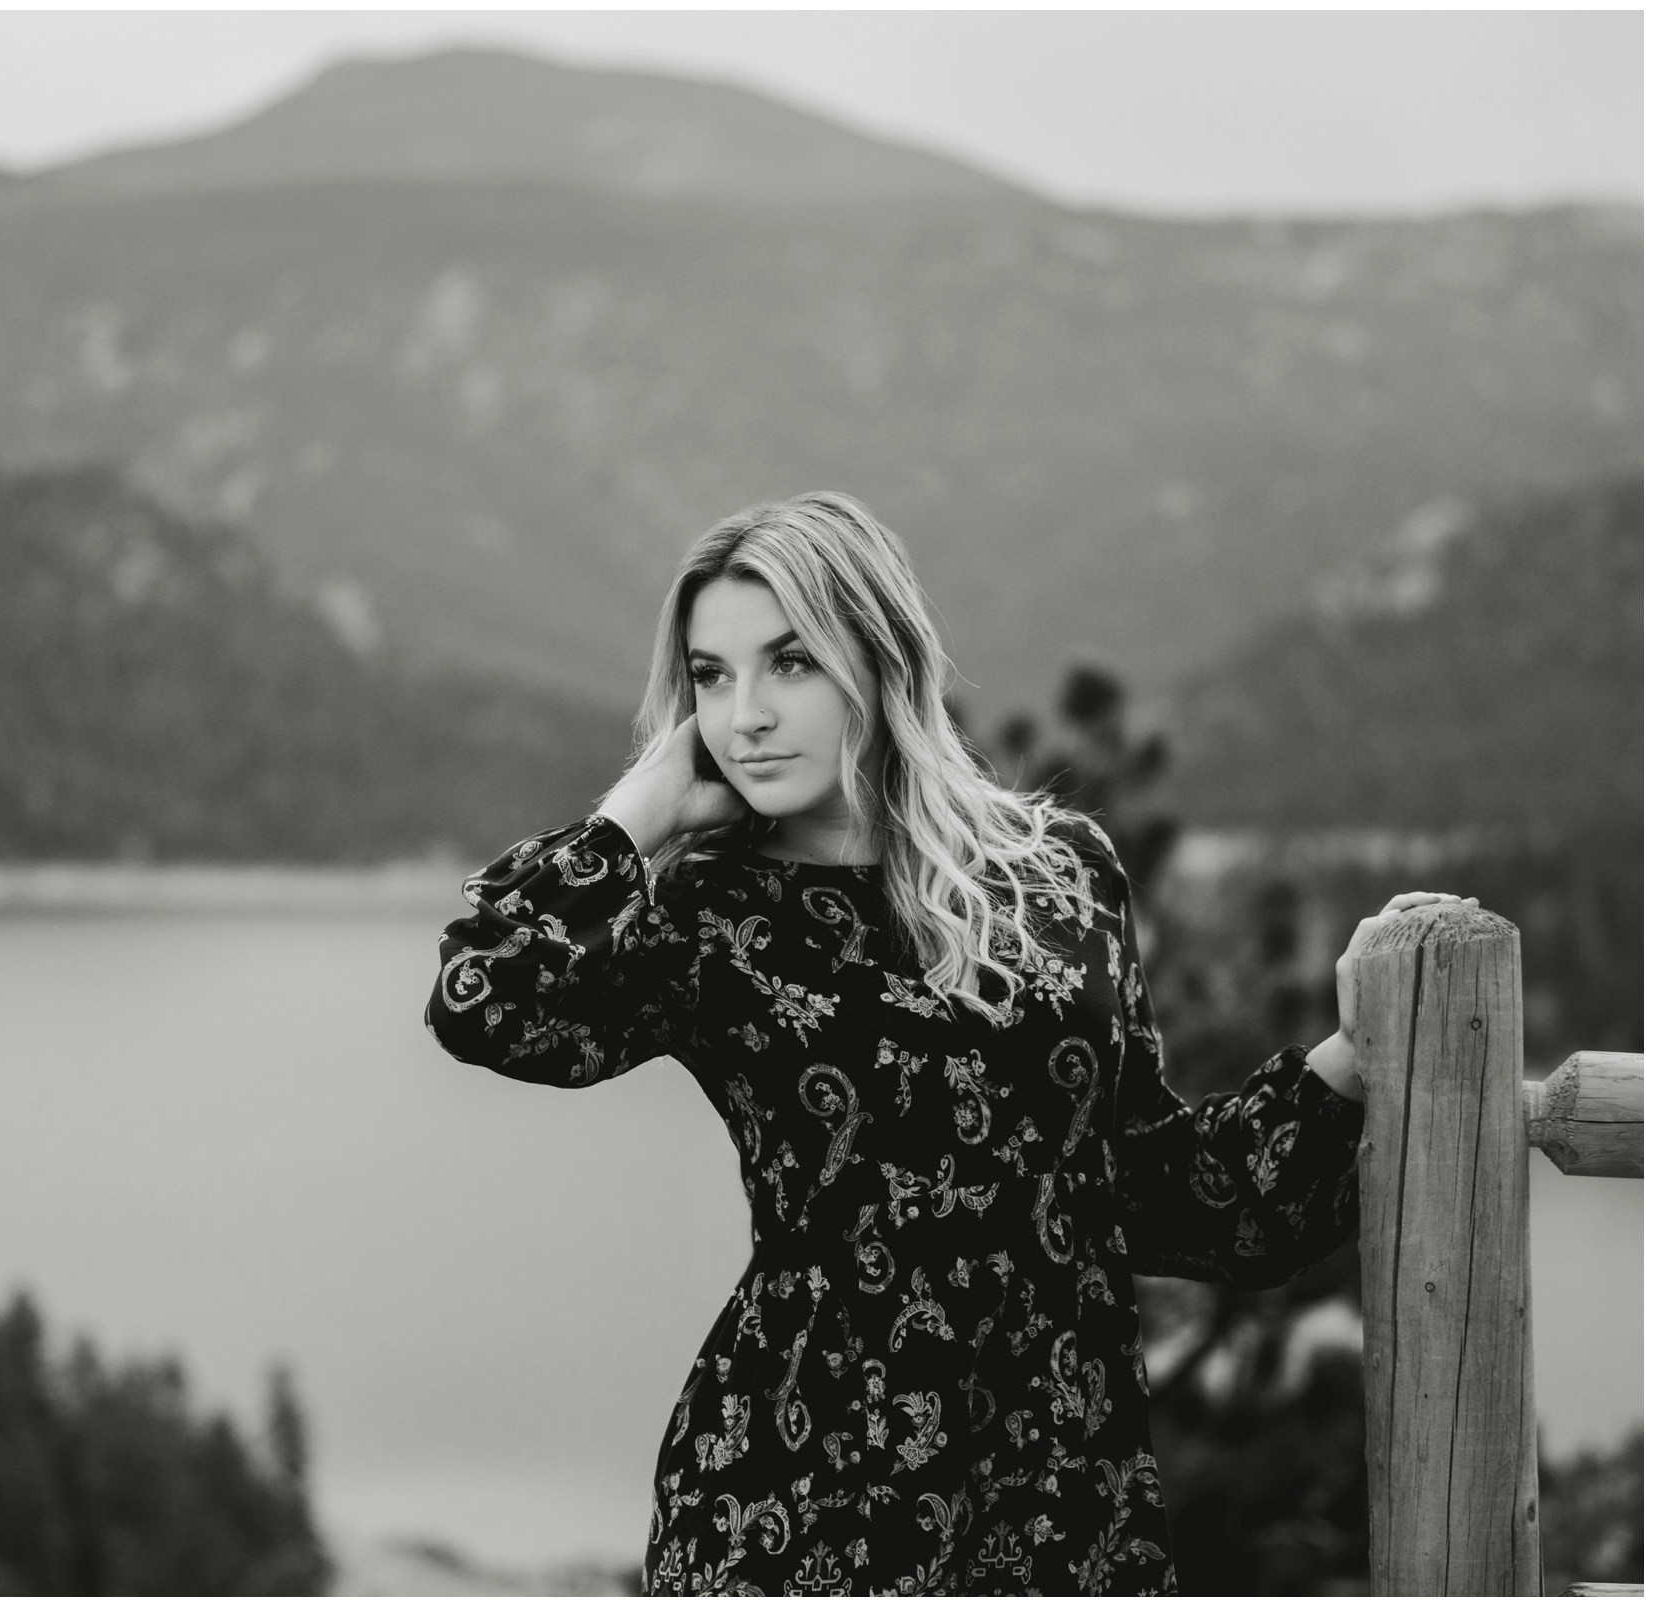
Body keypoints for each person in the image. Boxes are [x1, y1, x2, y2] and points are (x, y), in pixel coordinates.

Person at [424, 492, 1472, 1596]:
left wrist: (1351, 1062)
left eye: (790, 662)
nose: (746, 715)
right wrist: (636, 812)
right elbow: (483, 997)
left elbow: (1150, 1188)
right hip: (799, 1505)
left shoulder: (1063, 870)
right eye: (712, 675)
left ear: (877, 660)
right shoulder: (709, 914)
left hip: (1062, 1503)